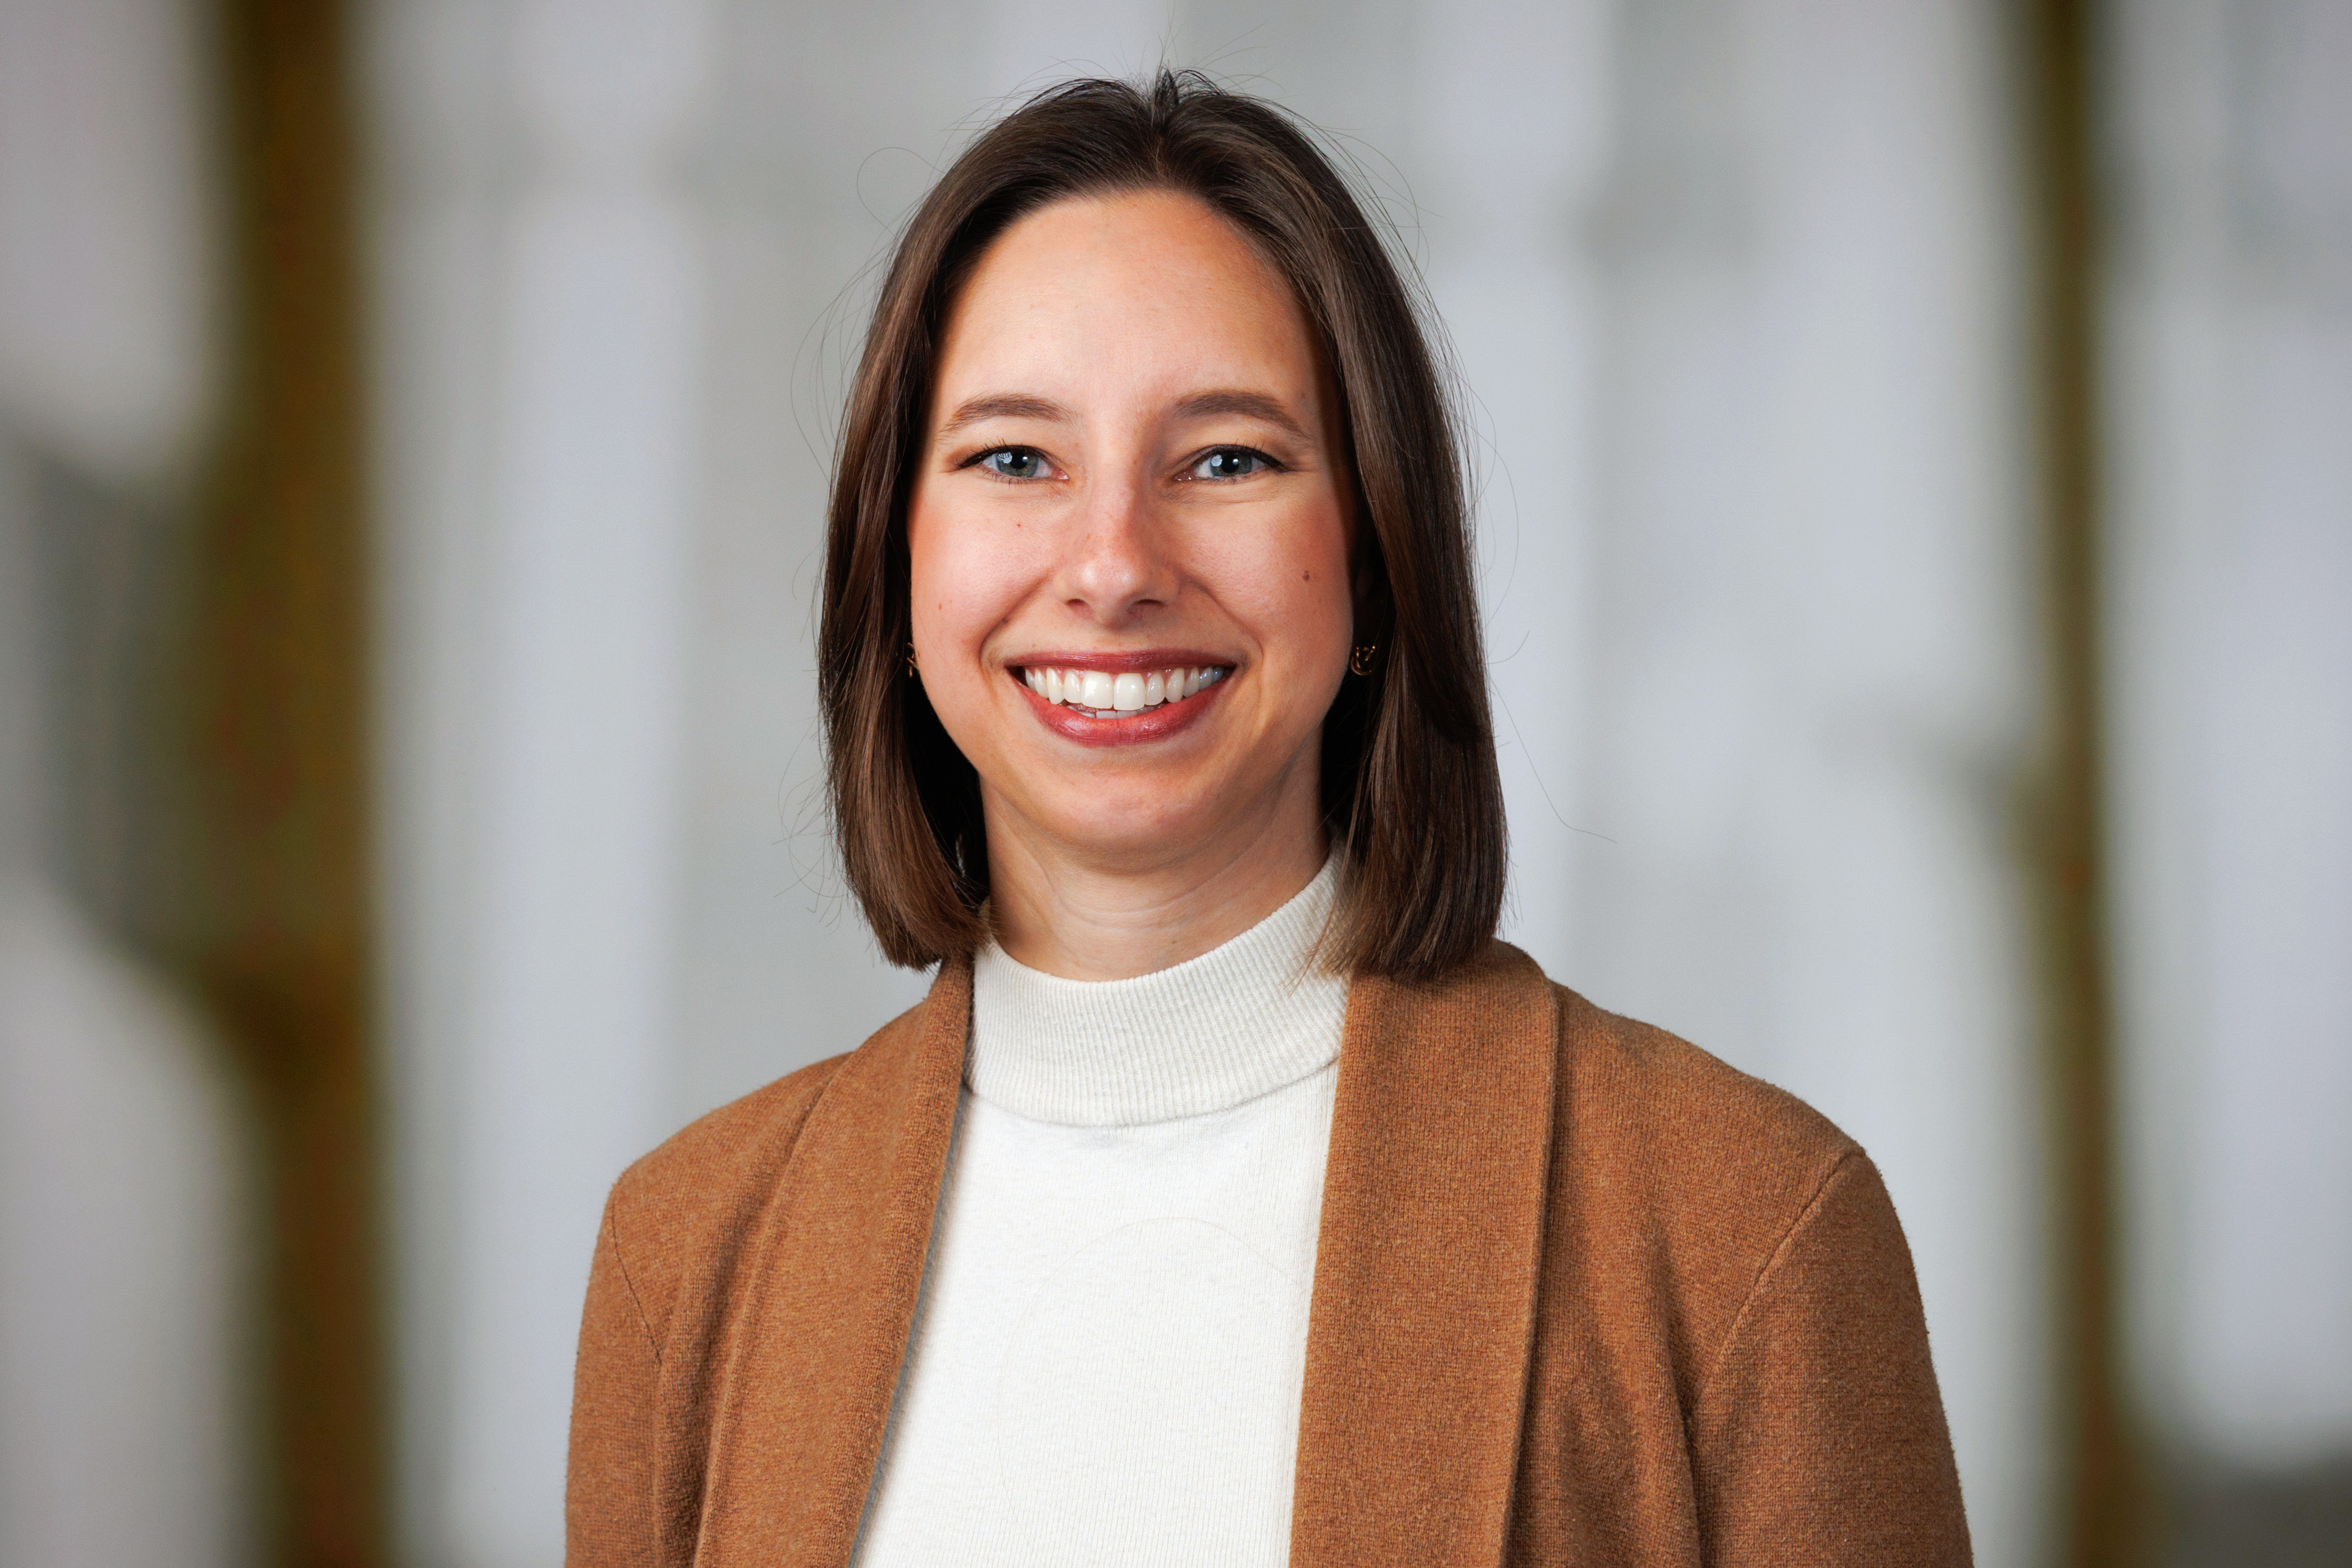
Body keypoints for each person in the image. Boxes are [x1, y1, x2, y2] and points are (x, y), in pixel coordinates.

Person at [566, 71, 1972, 1567]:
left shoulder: (1743, 1226)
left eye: (1228, 457)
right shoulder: (687, 1252)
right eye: (1012, 458)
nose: (1113, 566)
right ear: (895, 559)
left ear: (1372, 558)